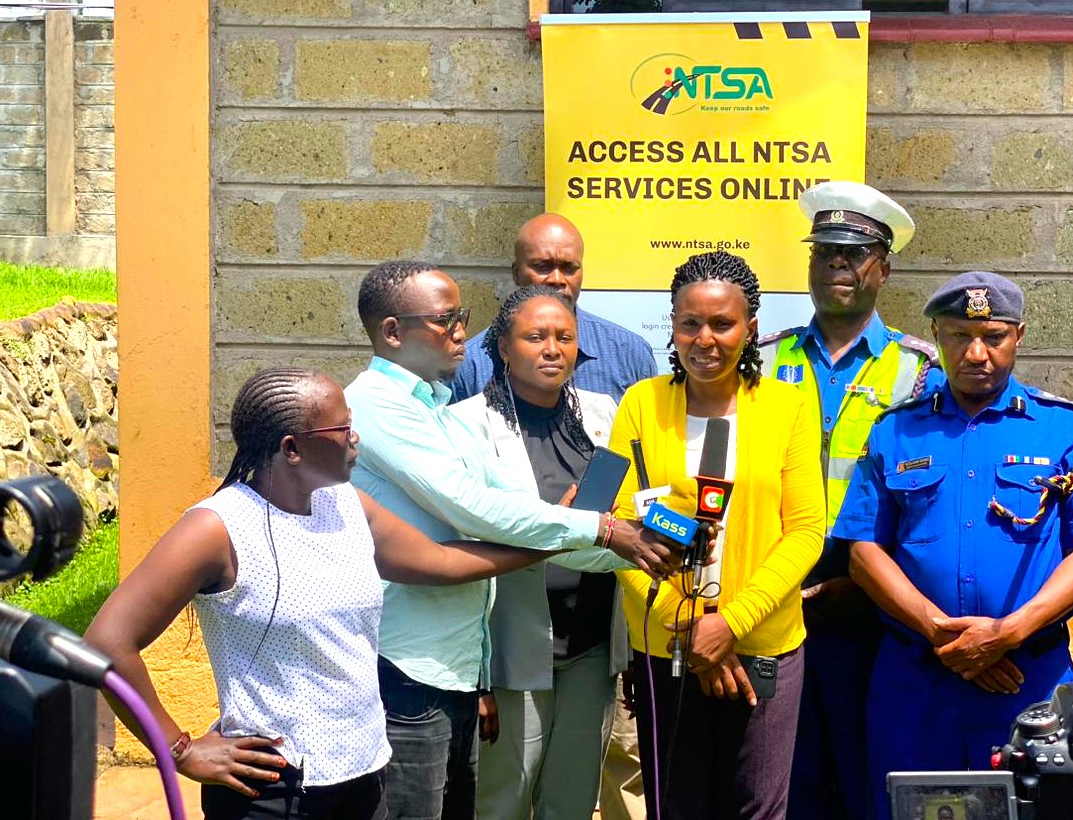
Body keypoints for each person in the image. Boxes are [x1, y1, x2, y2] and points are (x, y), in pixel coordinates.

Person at [84, 367, 559, 820]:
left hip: (366, 773)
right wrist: (179, 749)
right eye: (343, 429)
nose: (356, 438)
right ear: (292, 448)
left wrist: (556, 537)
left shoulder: (349, 506)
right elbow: (108, 641)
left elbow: (442, 561)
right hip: (275, 787)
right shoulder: (217, 528)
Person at [342, 261, 678, 820]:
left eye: (461, 318)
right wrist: (602, 529)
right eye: (447, 320)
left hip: (488, 654)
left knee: (561, 802)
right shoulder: (382, 406)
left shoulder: (434, 408)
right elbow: (474, 510)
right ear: (394, 331)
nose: (458, 333)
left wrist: (645, 545)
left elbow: (535, 517)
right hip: (415, 663)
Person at [835, 271, 1073, 820]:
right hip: (917, 681)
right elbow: (863, 552)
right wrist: (938, 632)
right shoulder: (894, 431)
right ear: (936, 334)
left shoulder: (1063, 427)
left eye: (993, 337)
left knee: (1038, 808)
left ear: (1018, 336)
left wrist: (1007, 634)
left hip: (1029, 680)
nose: (976, 353)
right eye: (958, 336)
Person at [609, 250, 824, 820]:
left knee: (757, 809)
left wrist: (731, 623)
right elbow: (615, 521)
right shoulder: (640, 403)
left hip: (763, 645)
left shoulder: (788, 407)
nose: (705, 339)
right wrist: (687, 626)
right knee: (675, 807)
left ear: (750, 327)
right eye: (690, 323)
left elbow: (806, 532)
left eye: (722, 324)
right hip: (666, 646)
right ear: (672, 326)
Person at [760, 181, 940, 820]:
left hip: (872, 603)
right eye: (826, 252)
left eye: (855, 254)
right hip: (773, 597)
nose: (838, 264)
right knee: (783, 776)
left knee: (871, 771)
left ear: (883, 270)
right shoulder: (762, 358)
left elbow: (933, 505)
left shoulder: (920, 372)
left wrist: (868, 586)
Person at [452, 285, 630, 819]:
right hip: (512, 649)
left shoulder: (606, 415)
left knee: (572, 802)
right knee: (502, 801)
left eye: (564, 337)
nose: (552, 348)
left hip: (593, 646)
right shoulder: (466, 426)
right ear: (503, 347)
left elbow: (625, 516)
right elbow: (469, 541)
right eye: (535, 337)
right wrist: (476, 679)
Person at [451, 213, 658, 403]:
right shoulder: (471, 364)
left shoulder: (630, 354)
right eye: (542, 266)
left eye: (569, 268)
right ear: (516, 273)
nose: (557, 279)